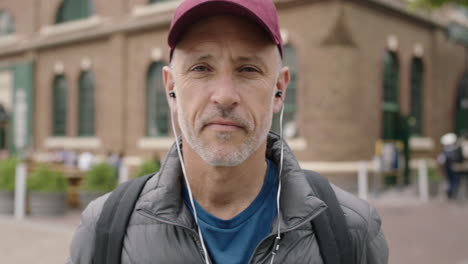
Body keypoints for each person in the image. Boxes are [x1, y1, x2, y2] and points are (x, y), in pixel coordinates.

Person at [67, 0, 388, 263]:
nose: (224, 95)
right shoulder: (106, 227)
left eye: (247, 69)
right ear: (170, 88)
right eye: (201, 68)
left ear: (279, 89)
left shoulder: (351, 229)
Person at [438, 133, 464, 199]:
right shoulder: (456, 148)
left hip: (451, 167)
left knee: (452, 180)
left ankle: (451, 192)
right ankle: (452, 192)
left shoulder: (447, 150)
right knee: (453, 180)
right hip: (452, 167)